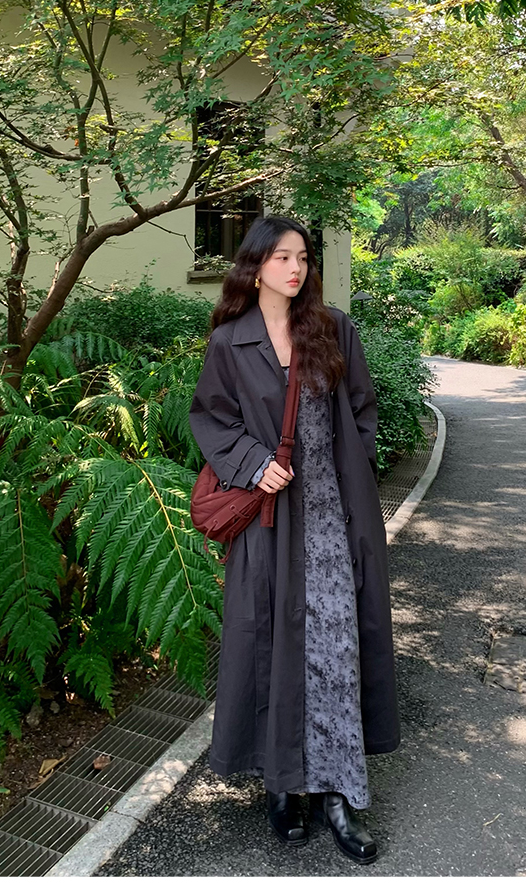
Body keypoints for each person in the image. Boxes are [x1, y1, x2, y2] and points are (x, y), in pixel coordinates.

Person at [188, 214, 400, 864]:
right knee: (275, 650)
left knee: (336, 652)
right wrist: (254, 463)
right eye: (282, 257)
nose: (295, 268)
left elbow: (361, 410)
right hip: (271, 524)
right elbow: (211, 419)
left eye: (303, 257)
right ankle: (283, 788)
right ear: (254, 267)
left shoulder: (334, 329)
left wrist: (353, 473)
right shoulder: (231, 342)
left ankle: (337, 794)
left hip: (334, 522)